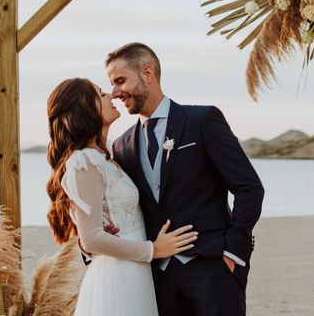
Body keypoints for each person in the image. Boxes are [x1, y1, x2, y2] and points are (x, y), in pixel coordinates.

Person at [107, 42, 265, 316]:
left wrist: (233, 253)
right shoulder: (122, 146)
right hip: (159, 280)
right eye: (111, 84)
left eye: (120, 80)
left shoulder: (201, 120)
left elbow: (249, 187)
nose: (115, 92)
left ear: (147, 73)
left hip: (214, 268)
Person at [45, 77, 198, 315]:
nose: (111, 96)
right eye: (101, 93)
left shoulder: (106, 157)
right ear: (85, 108)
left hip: (134, 270)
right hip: (117, 275)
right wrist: (153, 250)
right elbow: (92, 238)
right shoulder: (84, 161)